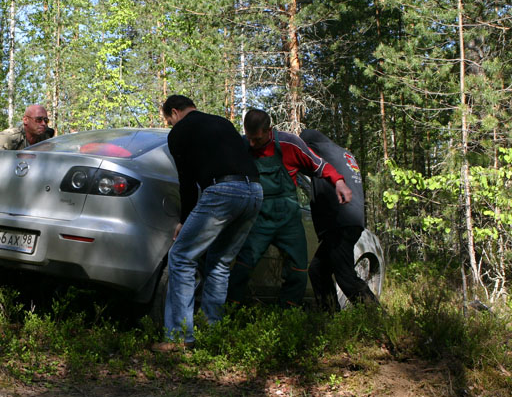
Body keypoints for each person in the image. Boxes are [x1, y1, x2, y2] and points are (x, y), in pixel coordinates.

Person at [152, 95, 263, 352]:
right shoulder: (221, 122)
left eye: (169, 121)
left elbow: (187, 181)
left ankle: (179, 337)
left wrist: (183, 219)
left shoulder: (180, 131)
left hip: (224, 191)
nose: (171, 125)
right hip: (255, 191)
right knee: (221, 263)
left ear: (175, 112)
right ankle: (213, 334)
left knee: (180, 256)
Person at [227, 109, 352, 308]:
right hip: (259, 217)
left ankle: (287, 313)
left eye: (257, 139)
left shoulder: (289, 144)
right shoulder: (242, 146)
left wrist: (339, 182)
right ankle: (230, 313)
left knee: (298, 269)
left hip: (288, 220)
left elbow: (319, 165)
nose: (252, 144)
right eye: (249, 138)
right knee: (242, 265)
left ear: (269, 130)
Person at [0, 104, 53, 306]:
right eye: (38, 120)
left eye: (45, 120)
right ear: (25, 120)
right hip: (0, 196)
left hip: (30, 201)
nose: (43, 124)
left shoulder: (47, 138)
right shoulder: (9, 137)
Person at [300, 128, 378, 311]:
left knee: (346, 277)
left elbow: (298, 160)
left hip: (339, 221)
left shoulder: (319, 150)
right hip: (351, 219)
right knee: (318, 271)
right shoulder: (342, 153)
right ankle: (330, 318)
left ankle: (377, 318)